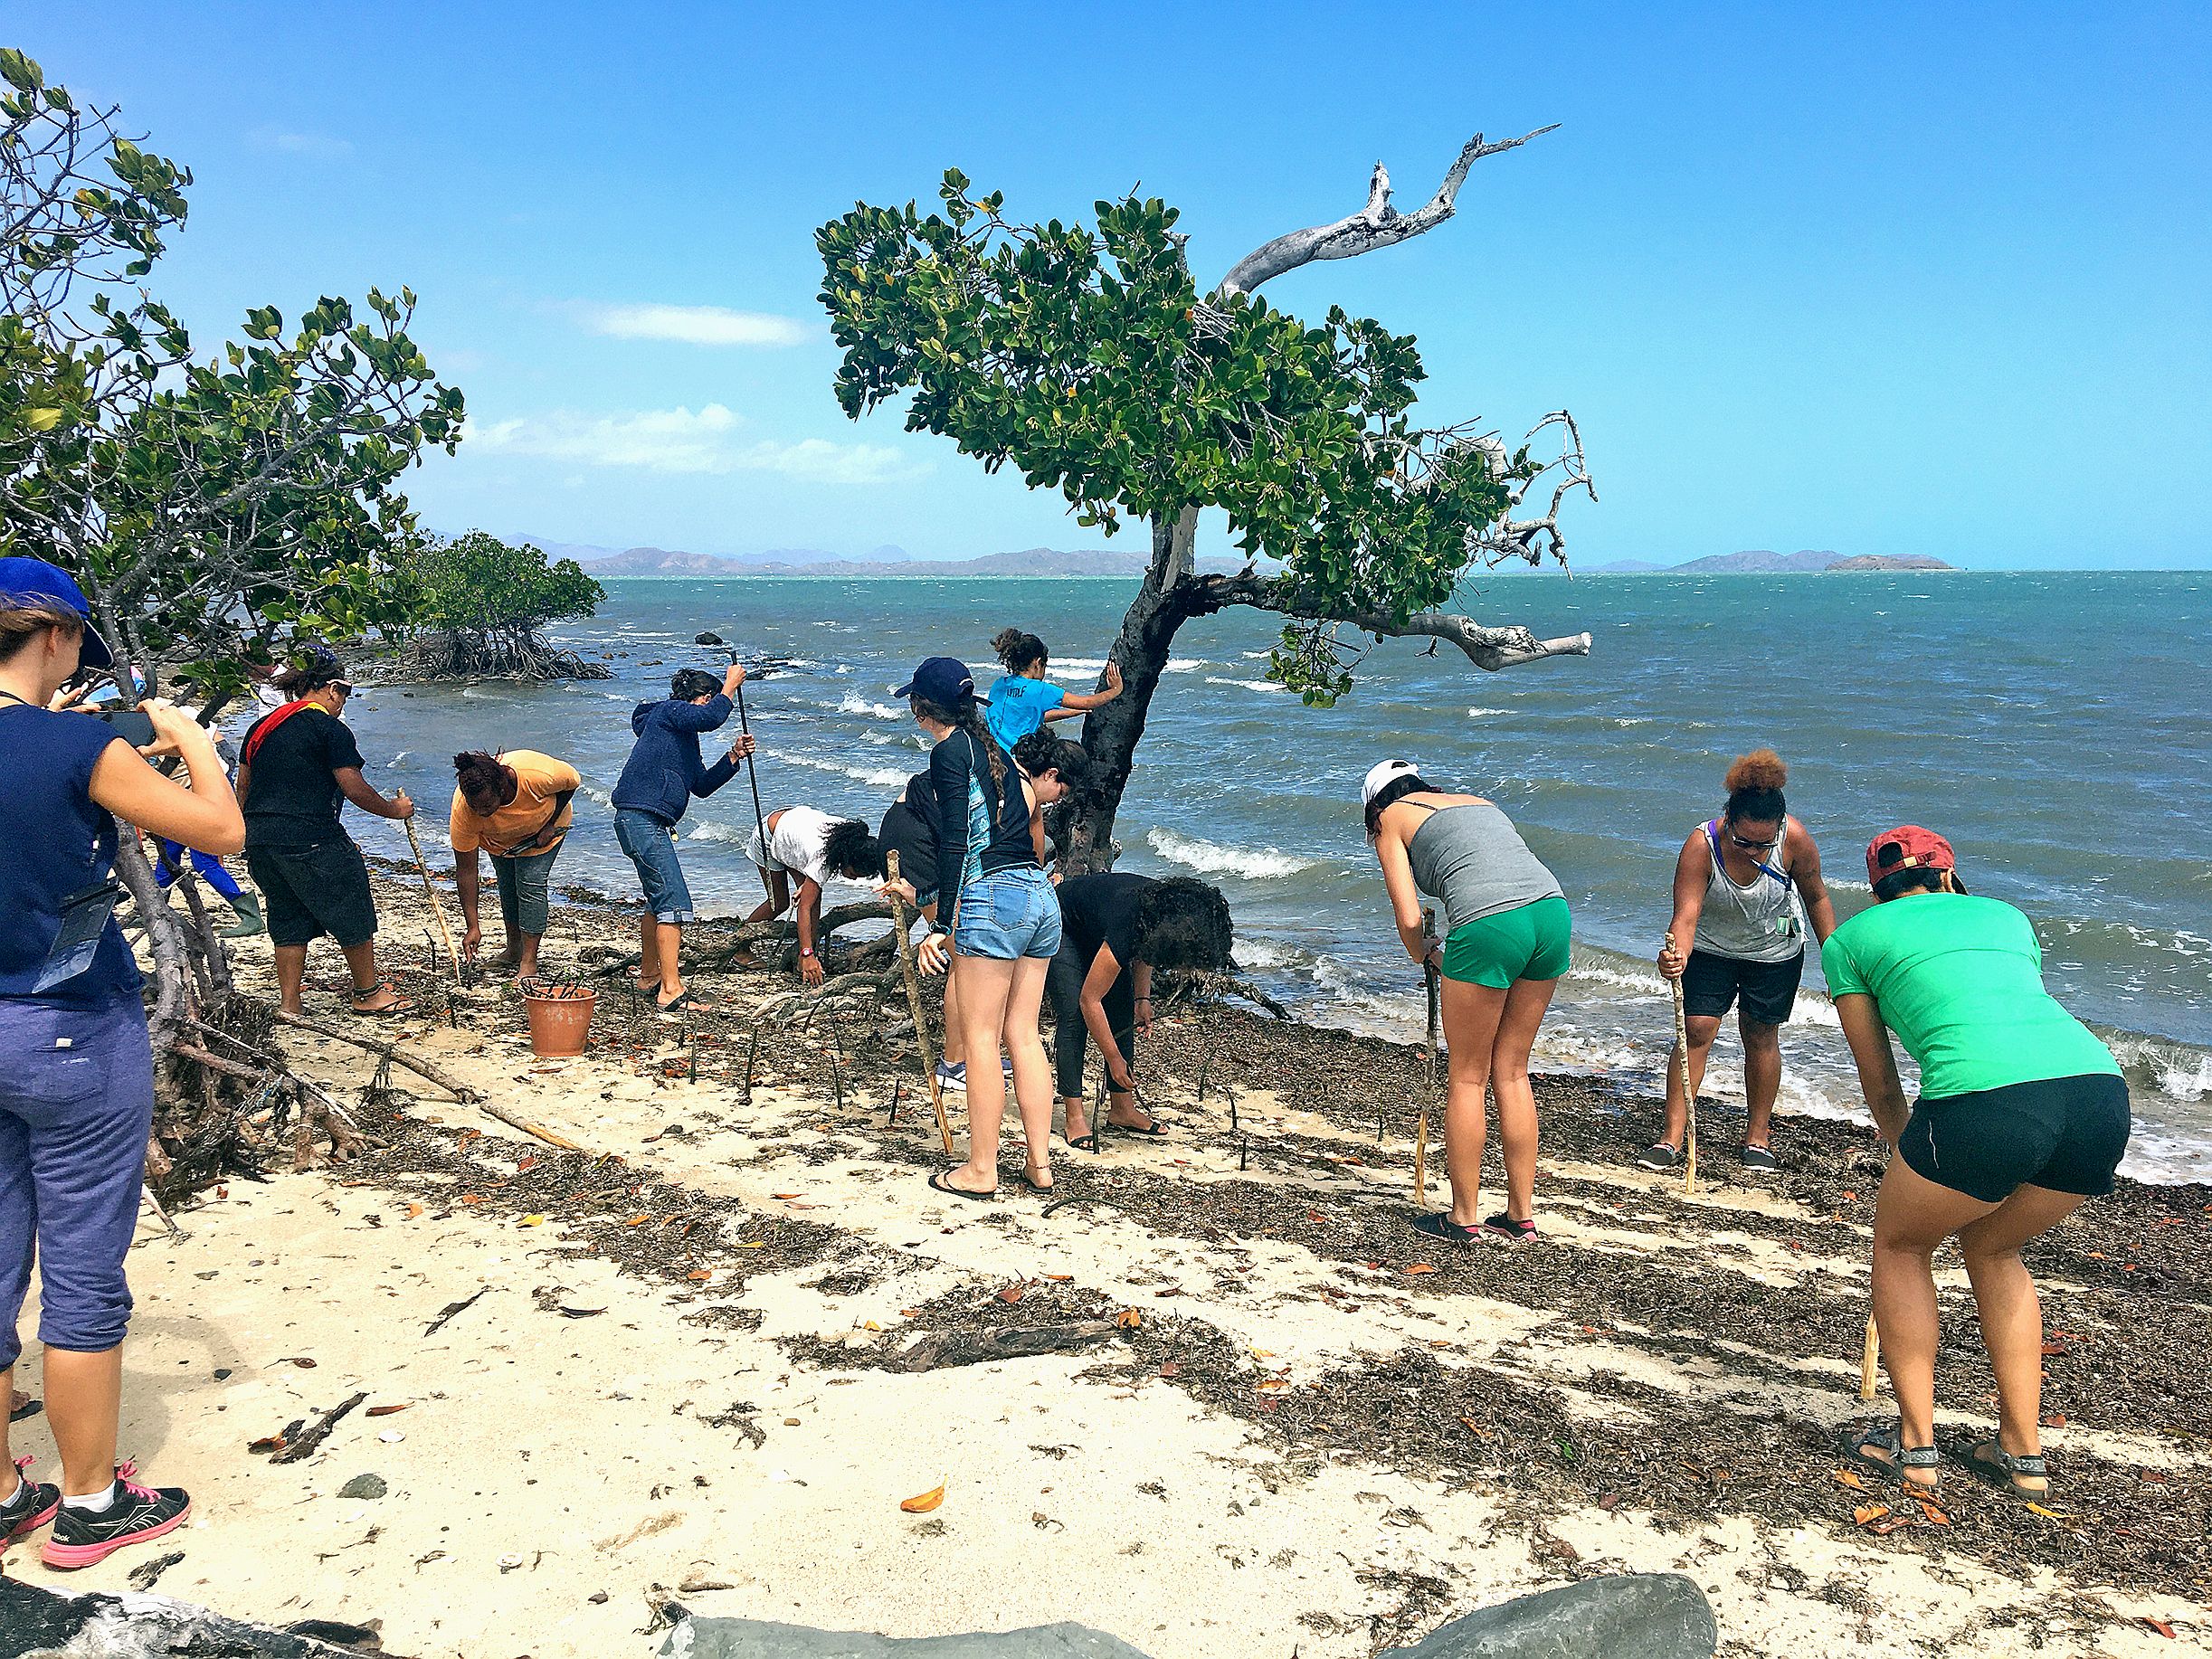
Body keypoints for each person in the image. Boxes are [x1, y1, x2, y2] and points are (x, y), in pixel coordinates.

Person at [0, 556, 243, 1568]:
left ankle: (9, 1490)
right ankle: (94, 1502)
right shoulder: (76, 743)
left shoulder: (70, 739)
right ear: (55, 636)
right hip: (69, 1027)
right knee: (85, 1267)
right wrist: (191, 741)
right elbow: (221, 828)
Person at [1828, 827, 2129, 1503]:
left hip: (1984, 1103)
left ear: (1876, 889)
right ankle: (2020, 1452)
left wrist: (1904, 1145)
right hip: (2096, 1093)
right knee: (1996, 1247)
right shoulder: (2007, 917)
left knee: (1901, 1245)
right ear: (1946, 874)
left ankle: (1914, 1448)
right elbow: (2009, 1011)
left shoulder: (1851, 941)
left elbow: (1879, 1081)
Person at [1364, 759, 1569, 1244]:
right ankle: (1521, 1214)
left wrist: (1428, 954)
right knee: (1513, 1070)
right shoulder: (1479, 802)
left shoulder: (1390, 818)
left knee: (1468, 1074)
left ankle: (1463, 1216)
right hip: (1552, 913)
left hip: (1492, 924)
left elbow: (1409, 916)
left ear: (1375, 804)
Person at [899, 658, 1078, 1199]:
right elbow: (1029, 833)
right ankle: (1039, 1163)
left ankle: (980, 1169)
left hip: (993, 895)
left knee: (980, 1037)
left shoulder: (948, 751)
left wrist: (940, 923)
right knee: (1023, 1034)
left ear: (920, 709)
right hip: (1039, 895)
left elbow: (957, 840)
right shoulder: (995, 747)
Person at [1645, 749, 1837, 1173]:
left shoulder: (1796, 840)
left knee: (1761, 1034)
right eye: (1743, 841)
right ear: (1727, 819)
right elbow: (1687, 913)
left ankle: (1757, 1137)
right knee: (1696, 1029)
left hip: (1775, 951)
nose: (1753, 850)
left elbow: (1817, 896)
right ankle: (1672, 1137)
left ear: (1779, 829)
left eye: (1763, 844)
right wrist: (1675, 954)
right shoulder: (1702, 845)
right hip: (1711, 948)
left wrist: (1836, 960)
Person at [237, 650, 416, 1017]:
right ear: (333, 690)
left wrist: (240, 835)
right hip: (311, 834)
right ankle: (367, 992)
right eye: (345, 696)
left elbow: (243, 787)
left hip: (260, 838)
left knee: (286, 914)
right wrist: (394, 811)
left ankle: (290, 1002)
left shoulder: (261, 728)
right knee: (351, 905)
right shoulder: (330, 730)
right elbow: (353, 787)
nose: (343, 704)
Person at [611, 661, 755, 1016]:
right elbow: (709, 719)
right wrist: (731, 688)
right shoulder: (668, 712)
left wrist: (733, 756)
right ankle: (671, 990)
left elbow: (701, 786)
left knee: (657, 901)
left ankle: (649, 976)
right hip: (642, 818)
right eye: (712, 699)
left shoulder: (681, 737)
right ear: (702, 698)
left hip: (643, 820)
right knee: (674, 902)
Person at [1053, 871, 1232, 1149]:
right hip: (1065, 924)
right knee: (1074, 1018)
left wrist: (1142, 1000)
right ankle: (1075, 1117)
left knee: (1122, 1010)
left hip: (1103, 926)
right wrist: (1113, 1058)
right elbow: (1090, 1000)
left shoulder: (1164, 916)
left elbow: (1147, 951)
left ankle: (1122, 1110)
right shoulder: (1133, 918)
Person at [450, 748, 581, 982]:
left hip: (542, 832)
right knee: (508, 887)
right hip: (500, 842)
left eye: (488, 806)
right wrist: (472, 926)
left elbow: (572, 782)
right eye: (475, 808)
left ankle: (529, 960)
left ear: (502, 789)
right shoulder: (464, 809)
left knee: (529, 884)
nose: (481, 812)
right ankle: (513, 950)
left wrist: (550, 824)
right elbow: (467, 872)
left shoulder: (538, 774)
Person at [742, 806, 884, 987]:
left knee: (813, 894)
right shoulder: (822, 859)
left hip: (792, 833)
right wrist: (807, 953)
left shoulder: (850, 838)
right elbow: (804, 907)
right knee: (778, 903)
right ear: (847, 859)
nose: (855, 878)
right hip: (769, 836)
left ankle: (808, 951)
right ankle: (741, 947)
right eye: (854, 873)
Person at [982, 628, 1125, 752]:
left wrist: (1071, 713)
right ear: (1038, 663)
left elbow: (1027, 715)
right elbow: (1087, 702)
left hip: (992, 754)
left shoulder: (999, 685)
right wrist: (1115, 690)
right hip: (1017, 759)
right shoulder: (1038, 689)